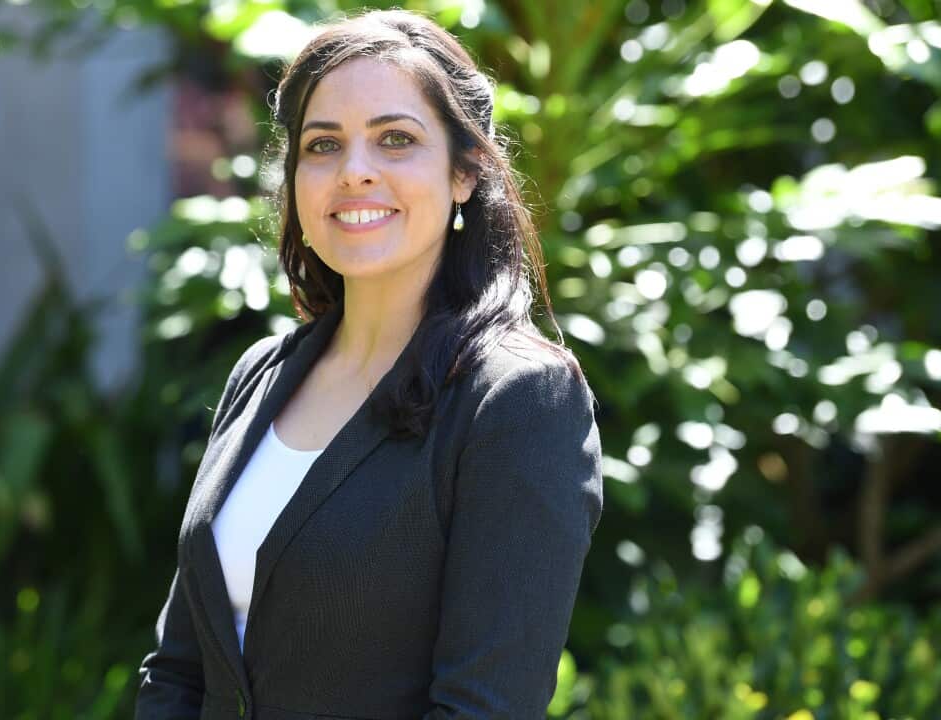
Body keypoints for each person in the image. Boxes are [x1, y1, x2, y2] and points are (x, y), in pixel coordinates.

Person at [135, 8, 603, 719]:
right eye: (323, 146)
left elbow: (482, 710)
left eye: (395, 139)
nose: (355, 172)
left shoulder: (517, 401)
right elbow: (177, 670)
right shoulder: (261, 375)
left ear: (465, 172)